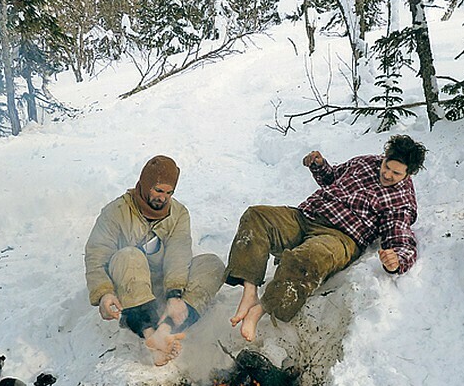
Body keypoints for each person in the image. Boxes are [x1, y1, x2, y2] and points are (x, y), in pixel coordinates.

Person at [224, 134, 427, 342]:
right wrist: (319, 165)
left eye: (396, 173)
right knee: (257, 216)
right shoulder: (365, 163)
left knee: (308, 258)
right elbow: (332, 177)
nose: (387, 174)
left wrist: (397, 261)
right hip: (307, 216)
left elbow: (401, 239)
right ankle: (250, 290)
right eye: (386, 166)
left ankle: (261, 309)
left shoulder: (402, 201)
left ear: (408, 174)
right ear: (384, 157)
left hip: (339, 237)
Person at [85, 155, 224, 365]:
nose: (163, 198)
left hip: (164, 283)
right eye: (158, 190)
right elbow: (97, 255)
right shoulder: (116, 212)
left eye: (169, 193)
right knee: (129, 254)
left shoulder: (178, 213)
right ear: (145, 184)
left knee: (212, 265)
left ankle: (166, 330)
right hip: (130, 287)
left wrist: (175, 295)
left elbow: (179, 253)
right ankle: (149, 332)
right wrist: (103, 293)